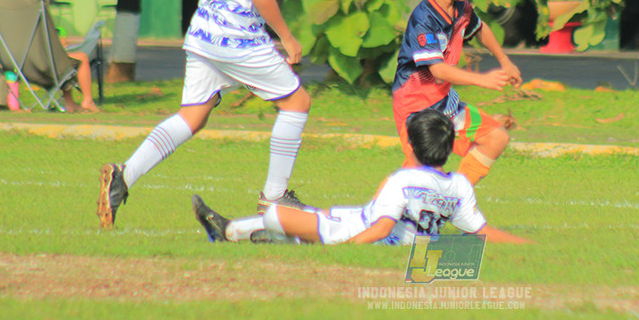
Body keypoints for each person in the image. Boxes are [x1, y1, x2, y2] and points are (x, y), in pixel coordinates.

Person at [97, 0, 313, 229]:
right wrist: (288, 38)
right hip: (238, 38)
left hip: (203, 33)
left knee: (192, 116)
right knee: (297, 101)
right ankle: (275, 197)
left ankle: (123, 176)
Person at [192, 109, 529, 245]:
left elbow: (380, 229)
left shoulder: (403, 179)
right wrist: (524, 244)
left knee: (276, 213)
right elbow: (483, 232)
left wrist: (346, 250)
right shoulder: (458, 185)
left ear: (412, 145)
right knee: (317, 214)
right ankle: (273, 237)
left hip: (355, 231)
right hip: (368, 224)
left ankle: (231, 232)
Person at [391, 0, 522, 186]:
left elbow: (480, 29)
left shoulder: (461, 8)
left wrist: (505, 61)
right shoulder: (424, 19)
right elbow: (438, 70)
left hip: (444, 103)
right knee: (420, 175)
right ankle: (378, 218)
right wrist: (482, 80)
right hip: (415, 109)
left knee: (496, 137)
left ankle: (454, 200)